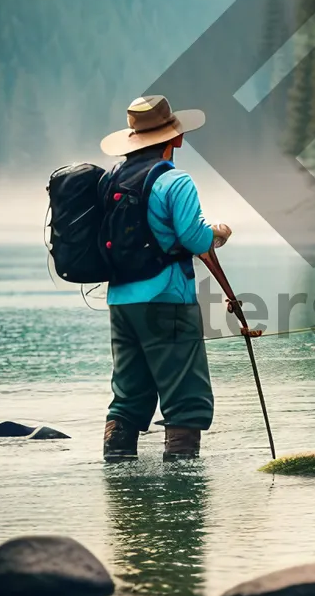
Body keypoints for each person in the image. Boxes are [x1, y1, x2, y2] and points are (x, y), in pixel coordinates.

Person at [98, 94, 231, 462]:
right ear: (176, 138)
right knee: (185, 394)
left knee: (128, 393)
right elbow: (194, 238)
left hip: (121, 302)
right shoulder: (176, 181)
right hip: (167, 300)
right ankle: (181, 490)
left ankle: (119, 477)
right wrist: (220, 232)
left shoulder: (110, 179)